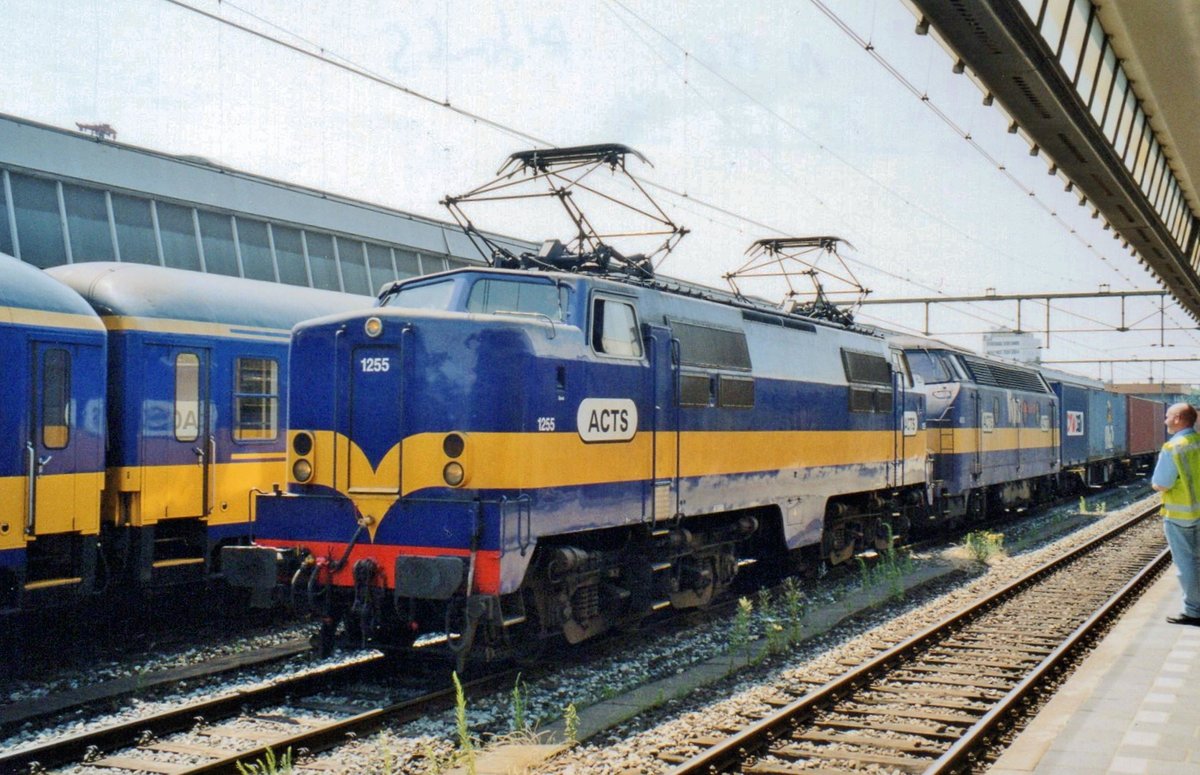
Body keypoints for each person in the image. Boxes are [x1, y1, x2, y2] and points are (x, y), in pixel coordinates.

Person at [1152, 402, 1200, 625]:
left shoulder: (1173, 447)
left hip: (1181, 516)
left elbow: (1161, 483)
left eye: (1168, 416)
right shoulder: (1197, 442)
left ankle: (1193, 611)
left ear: (1179, 419)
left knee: (1186, 563)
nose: (1165, 421)